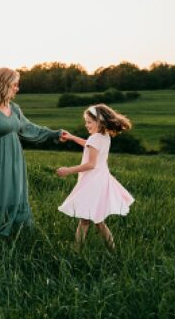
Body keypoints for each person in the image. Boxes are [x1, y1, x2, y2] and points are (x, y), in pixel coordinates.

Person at [0, 67, 67, 246]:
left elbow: (29, 128)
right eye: (14, 85)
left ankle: (9, 240)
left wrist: (54, 134)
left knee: (15, 196)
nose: (17, 89)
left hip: (15, 160)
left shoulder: (14, 108)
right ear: (3, 85)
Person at [56, 104, 135, 251]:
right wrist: (72, 137)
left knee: (85, 219)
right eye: (86, 122)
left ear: (100, 122)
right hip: (101, 180)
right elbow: (89, 144)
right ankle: (112, 249)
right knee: (98, 220)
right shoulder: (104, 136)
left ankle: (76, 250)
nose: (86, 125)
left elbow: (91, 164)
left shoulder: (95, 138)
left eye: (89, 122)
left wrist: (68, 170)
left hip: (92, 182)